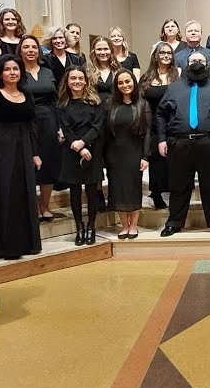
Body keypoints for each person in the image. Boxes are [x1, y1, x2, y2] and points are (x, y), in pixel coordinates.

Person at [156, 52, 210, 236]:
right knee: (178, 185)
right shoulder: (174, 88)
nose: (196, 63)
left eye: (200, 61)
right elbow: (161, 114)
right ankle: (174, 222)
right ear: (186, 64)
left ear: (207, 64)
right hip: (180, 143)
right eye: (193, 61)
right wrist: (162, 139)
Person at [0, 55, 42, 260]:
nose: (12, 72)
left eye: (15, 69)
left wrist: (35, 153)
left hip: (24, 147)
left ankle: (26, 243)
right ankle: (4, 246)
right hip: (1, 149)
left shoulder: (26, 93)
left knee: (25, 193)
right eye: (7, 69)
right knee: (4, 194)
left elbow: (33, 125)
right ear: (0, 73)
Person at [56, 66, 104, 246]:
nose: (77, 81)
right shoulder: (62, 104)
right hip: (72, 150)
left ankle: (91, 226)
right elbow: (66, 129)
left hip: (92, 149)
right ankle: (79, 227)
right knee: (75, 192)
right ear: (67, 82)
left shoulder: (95, 102)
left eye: (80, 78)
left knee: (92, 191)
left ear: (85, 81)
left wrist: (83, 143)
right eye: (73, 78)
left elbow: (97, 126)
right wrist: (78, 146)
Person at [18, 35, 61, 222]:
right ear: (20, 50)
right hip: (26, 120)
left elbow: (55, 100)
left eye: (34, 47)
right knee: (29, 162)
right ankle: (32, 206)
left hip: (49, 119)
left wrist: (60, 126)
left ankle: (45, 205)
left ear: (39, 51)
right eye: (26, 47)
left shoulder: (47, 72)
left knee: (49, 163)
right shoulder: (17, 72)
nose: (30, 50)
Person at [103, 70, 150, 239]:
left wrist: (145, 156)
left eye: (127, 81)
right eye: (120, 83)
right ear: (116, 86)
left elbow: (148, 133)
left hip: (135, 152)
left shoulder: (143, 104)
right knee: (118, 189)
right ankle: (124, 226)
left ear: (133, 82)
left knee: (133, 188)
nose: (125, 85)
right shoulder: (109, 104)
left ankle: (133, 226)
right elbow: (105, 133)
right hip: (114, 154)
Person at [140, 42, 180, 210]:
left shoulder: (177, 76)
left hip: (173, 123)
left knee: (174, 161)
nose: (165, 56)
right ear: (155, 56)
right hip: (153, 125)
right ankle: (156, 193)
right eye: (162, 53)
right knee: (156, 160)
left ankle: (175, 193)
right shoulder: (147, 77)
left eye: (169, 53)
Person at [86, 36, 121, 104]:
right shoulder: (87, 70)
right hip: (93, 107)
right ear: (94, 51)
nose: (102, 52)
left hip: (115, 107)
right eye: (99, 49)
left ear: (111, 50)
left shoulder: (118, 69)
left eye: (106, 49)